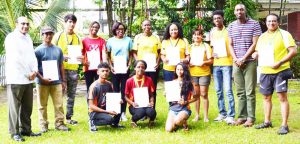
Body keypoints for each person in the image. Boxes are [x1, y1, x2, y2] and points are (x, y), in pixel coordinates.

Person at [252, 13, 297, 135]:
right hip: (265, 71)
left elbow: (293, 51)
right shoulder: (262, 37)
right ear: (265, 23)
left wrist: (280, 62)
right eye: (269, 21)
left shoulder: (284, 34)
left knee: (282, 97)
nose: (271, 23)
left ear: (278, 22)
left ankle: (284, 125)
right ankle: (267, 122)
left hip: (280, 70)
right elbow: (257, 51)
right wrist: (255, 54)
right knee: (266, 97)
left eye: (274, 21)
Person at [5, 16, 41, 142]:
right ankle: (14, 133)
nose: (25, 26)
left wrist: (35, 70)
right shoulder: (11, 38)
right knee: (14, 107)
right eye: (22, 23)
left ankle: (26, 129)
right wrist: (28, 73)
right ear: (16, 24)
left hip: (29, 79)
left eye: (27, 24)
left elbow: (32, 56)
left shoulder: (28, 38)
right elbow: (16, 59)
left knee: (27, 106)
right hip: (16, 77)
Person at [228, 3, 262, 127]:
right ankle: (242, 117)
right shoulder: (231, 26)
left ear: (245, 11)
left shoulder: (254, 24)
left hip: (250, 63)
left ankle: (251, 118)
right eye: (237, 10)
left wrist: (244, 58)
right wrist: (236, 59)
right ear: (234, 12)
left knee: (249, 91)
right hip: (236, 62)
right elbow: (230, 44)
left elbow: (255, 44)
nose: (239, 11)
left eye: (241, 9)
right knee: (240, 91)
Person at [35, 26, 70, 133]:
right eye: (46, 34)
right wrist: (42, 79)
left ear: (53, 35)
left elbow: (61, 65)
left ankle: (59, 123)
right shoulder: (37, 51)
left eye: (50, 34)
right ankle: (43, 125)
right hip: (42, 82)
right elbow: (34, 68)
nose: (48, 36)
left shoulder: (58, 50)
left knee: (59, 104)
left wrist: (64, 81)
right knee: (42, 105)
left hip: (56, 82)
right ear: (42, 35)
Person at [53, 14, 82, 125]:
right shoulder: (58, 35)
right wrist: (61, 56)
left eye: (73, 22)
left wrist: (80, 57)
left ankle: (69, 117)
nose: (71, 24)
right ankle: (59, 119)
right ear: (64, 23)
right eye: (69, 21)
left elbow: (80, 53)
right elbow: (52, 49)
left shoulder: (78, 37)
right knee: (59, 93)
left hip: (73, 69)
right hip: (60, 69)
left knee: (71, 95)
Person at [210, 10, 235, 124]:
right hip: (216, 65)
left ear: (222, 19)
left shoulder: (228, 31)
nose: (217, 20)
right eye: (215, 19)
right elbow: (212, 47)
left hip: (227, 64)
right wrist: (213, 53)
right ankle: (222, 113)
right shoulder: (212, 32)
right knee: (219, 90)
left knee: (228, 90)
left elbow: (232, 45)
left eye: (219, 18)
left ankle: (231, 115)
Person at [106, 21, 133, 121]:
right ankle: (116, 112)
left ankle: (123, 113)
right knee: (116, 90)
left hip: (125, 67)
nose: (120, 31)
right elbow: (108, 55)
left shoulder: (128, 40)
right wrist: (110, 66)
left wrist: (128, 65)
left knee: (124, 91)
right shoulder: (110, 41)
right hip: (114, 68)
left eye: (122, 29)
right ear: (115, 30)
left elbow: (130, 54)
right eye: (118, 29)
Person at [88, 62, 125, 132]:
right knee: (109, 119)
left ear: (109, 72)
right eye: (102, 71)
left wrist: (119, 100)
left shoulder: (109, 84)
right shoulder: (94, 86)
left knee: (121, 103)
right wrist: (107, 111)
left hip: (105, 108)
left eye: (107, 71)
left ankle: (115, 124)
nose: (105, 73)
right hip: (94, 112)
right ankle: (92, 122)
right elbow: (91, 106)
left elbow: (112, 98)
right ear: (98, 72)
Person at [133, 19, 161, 109]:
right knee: (141, 88)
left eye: (148, 25)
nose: (147, 27)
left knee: (152, 88)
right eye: (145, 25)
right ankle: (142, 110)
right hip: (141, 68)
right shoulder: (137, 37)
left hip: (153, 67)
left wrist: (157, 62)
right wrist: (138, 63)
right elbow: (134, 52)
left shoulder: (156, 37)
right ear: (142, 27)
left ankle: (152, 110)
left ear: (151, 26)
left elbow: (160, 52)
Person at [165, 63, 199, 132]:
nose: (179, 71)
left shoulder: (189, 83)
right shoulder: (172, 83)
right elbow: (170, 98)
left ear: (185, 71)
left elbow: (196, 98)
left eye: (181, 69)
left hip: (184, 109)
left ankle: (183, 123)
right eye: (177, 69)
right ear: (175, 70)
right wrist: (166, 94)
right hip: (173, 109)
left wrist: (186, 102)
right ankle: (178, 122)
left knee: (177, 122)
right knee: (168, 130)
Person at [189, 29, 213, 122]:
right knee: (196, 95)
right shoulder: (190, 47)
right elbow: (187, 59)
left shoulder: (206, 46)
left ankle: (206, 116)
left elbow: (211, 60)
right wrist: (188, 63)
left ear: (202, 36)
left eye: (199, 35)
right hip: (193, 73)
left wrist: (204, 62)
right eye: (194, 35)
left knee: (204, 94)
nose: (196, 36)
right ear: (192, 37)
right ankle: (197, 115)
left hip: (204, 73)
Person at [124, 60, 156, 128]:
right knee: (141, 112)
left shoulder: (149, 79)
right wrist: (132, 103)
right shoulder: (129, 81)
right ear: (135, 68)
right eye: (138, 67)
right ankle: (133, 120)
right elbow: (125, 97)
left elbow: (151, 94)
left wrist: (152, 101)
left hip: (145, 104)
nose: (140, 69)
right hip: (134, 105)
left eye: (142, 67)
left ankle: (151, 121)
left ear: (145, 69)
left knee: (152, 112)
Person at [82, 21, 107, 93]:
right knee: (89, 87)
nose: (94, 28)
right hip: (88, 67)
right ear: (90, 28)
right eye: (93, 27)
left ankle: (98, 104)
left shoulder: (102, 41)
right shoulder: (84, 40)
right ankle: (90, 104)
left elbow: (104, 54)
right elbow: (82, 54)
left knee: (99, 87)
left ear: (98, 29)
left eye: (96, 27)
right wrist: (84, 62)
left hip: (98, 68)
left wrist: (104, 66)